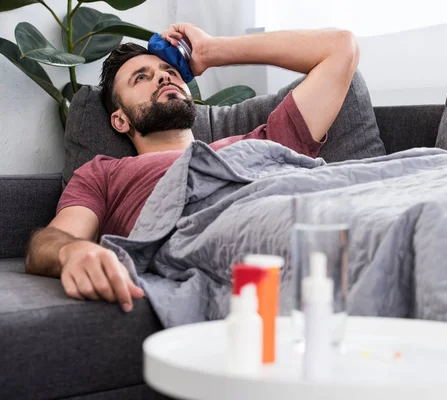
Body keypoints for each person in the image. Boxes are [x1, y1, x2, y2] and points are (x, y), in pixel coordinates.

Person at [25, 23, 360, 313]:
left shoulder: (259, 142)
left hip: (322, 206)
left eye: (168, 72)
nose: (161, 77)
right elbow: (51, 240)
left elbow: (341, 47)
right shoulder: (104, 172)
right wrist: (73, 251)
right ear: (120, 119)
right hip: (250, 231)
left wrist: (212, 51)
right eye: (141, 78)